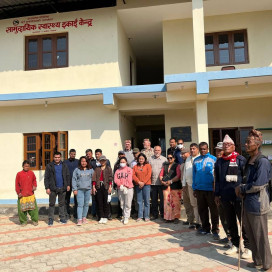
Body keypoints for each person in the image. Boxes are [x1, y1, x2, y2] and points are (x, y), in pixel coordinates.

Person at [235, 129, 272, 271]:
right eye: (245, 142)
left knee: (261, 237)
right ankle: (258, 262)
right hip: (247, 203)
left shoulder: (262, 161)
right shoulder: (249, 160)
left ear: (257, 144)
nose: (245, 144)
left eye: (248, 142)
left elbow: (258, 184)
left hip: (258, 204)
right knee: (251, 235)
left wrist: (242, 189)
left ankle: (267, 265)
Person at [215, 135, 251, 257]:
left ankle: (248, 247)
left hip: (239, 197)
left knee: (243, 222)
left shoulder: (240, 160)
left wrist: (244, 191)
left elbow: (246, 178)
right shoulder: (219, 161)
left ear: (234, 146)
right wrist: (217, 194)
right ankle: (235, 244)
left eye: (229, 144)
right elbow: (218, 180)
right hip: (225, 196)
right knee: (230, 222)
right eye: (224, 145)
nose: (226, 146)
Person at [193, 142, 219, 238]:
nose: (203, 151)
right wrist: (194, 188)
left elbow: (217, 175)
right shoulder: (196, 160)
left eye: (204, 149)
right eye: (201, 149)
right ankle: (205, 228)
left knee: (214, 210)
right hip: (199, 189)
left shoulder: (214, 159)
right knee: (202, 210)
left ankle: (215, 230)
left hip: (211, 189)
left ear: (208, 149)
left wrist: (216, 188)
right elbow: (194, 175)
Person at [44, 152, 70, 226]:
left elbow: (68, 175)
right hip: (52, 188)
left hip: (62, 188)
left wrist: (68, 185)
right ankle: (50, 219)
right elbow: (46, 178)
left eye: (58, 157)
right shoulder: (49, 166)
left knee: (61, 204)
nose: (57, 159)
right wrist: (47, 187)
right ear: (53, 157)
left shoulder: (64, 165)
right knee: (52, 204)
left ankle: (62, 218)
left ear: (60, 157)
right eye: (56, 157)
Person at [214, 141, 231, 245]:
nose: (218, 152)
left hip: (227, 195)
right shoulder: (217, 162)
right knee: (222, 216)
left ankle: (232, 239)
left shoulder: (228, 162)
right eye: (217, 150)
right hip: (218, 194)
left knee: (228, 217)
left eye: (220, 150)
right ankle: (228, 236)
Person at [159, 151, 182, 223]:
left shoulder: (177, 165)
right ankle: (168, 218)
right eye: (168, 158)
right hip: (166, 187)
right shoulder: (165, 165)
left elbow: (178, 176)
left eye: (171, 158)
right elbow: (161, 175)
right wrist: (162, 181)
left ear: (174, 158)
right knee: (166, 202)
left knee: (175, 202)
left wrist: (171, 181)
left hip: (174, 186)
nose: (169, 159)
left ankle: (176, 218)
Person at [182, 143, 200, 229]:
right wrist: (184, 184)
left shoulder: (200, 158)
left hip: (199, 186)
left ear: (198, 149)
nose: (192, 150)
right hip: (189, 185)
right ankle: (196, 222)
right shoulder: (188, 159)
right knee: (193, 204)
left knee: (199, 204)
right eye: (191, 149)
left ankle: (201, 222)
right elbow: (185, 172)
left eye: (194, 148)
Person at [15, 160, 39, 226]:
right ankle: (23, 221)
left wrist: (34, 186)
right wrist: (18, 192)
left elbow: (34, 180)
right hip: (22, 195)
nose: (27, 167)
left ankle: (34, 220)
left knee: (33, 209)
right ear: (23, 166)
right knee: (22, 210)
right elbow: (17, 184)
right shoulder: (19, 174)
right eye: (25, 166)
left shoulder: (31, 173)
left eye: (28, 166)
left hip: (30, 195)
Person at [72, 156, 94, 226]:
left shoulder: (91, 170)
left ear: (87, 162)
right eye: (82, 161)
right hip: (79, 190)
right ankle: (79, 219)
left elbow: (93, 180)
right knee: (80, 204)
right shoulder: (77, 170)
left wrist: (92, 188)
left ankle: (84, 217)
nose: (83, 163)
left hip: (88, 190)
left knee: (86, 204)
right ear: (80, 162)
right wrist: (74, 189)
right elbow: (74, 180)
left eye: (85, 161)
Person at [92, 155, 113, 224]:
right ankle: (101, 216)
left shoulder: (108, 168)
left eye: (104, 160)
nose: (103, 162)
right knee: (99, 202)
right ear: (99, 161)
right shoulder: (97, 169)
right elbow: (94, 178)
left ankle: (105, 216)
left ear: (106, 161)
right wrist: (94, 187)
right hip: (98, 186)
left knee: (106, 202)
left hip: (106, 186)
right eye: (101, 160)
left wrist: (110, 186)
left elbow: (110, 178)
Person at [149, 146, 167, 220]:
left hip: (161, 183)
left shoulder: (164, 159)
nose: (157, 151)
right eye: (155, 150)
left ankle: (163, 214)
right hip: (153, 183)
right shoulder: (150, 159)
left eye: (158, 150)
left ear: (161, 151)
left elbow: (166, 172)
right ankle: (155, 214)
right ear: (153, 151)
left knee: (162, 200)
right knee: (154, 200)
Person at [133, 153, 152, 222]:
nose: (141, 160)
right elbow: (133, 175)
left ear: (145, 159)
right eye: (140, 159)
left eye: (142, 159)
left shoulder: (148, 166)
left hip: (146, 185)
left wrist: (143, 182)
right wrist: (139, 182)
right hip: (138, 185)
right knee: (139, 201)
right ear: (138, 159)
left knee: (146, 201)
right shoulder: (135, 166)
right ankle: (140, 216)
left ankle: (146, 216)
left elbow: (149, 174)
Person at [114, 157, 134, 224]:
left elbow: (130, 178)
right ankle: (124, 215)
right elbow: (115, 179)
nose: (122, 163)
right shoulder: (117, 171)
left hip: (128, 188)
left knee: (128, 203)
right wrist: (120, 185)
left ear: (126, 162)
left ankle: (126, 217)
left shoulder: (129, 169)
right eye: (121, 162)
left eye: (123, 162)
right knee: (122, 203)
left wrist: (125, 185)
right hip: (120, 188)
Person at [64, 149, 79, 220]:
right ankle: (67, 214)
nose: (73, 155)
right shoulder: (65, 162)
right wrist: (66, 184)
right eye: (72, 154)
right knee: (67, 199)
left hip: (76, 184)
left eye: (74, 154)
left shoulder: (78, 162)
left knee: (77, 200)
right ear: (69, 154)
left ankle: (76, 214)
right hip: (68, 184)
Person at [113, 151, 126, 219]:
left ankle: (126, 214)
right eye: (119, 155)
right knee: (120, 200)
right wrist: (115, 185)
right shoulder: (116, 165)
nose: (121, 156)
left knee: (126, 200)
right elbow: (114, 175)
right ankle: (120, 213)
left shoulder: (127, 164)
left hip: (126, 185)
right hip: (119, 185)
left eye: (122, 154)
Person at [130, 147, 140, 217]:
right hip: (135, 182)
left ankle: (143, 212)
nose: (135, 154)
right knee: (136, 198)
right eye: (133, 153)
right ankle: (137, 211)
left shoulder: (143, 161)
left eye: (136, 153)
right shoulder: (132, 163)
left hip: (143, 182)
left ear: (139, 153)